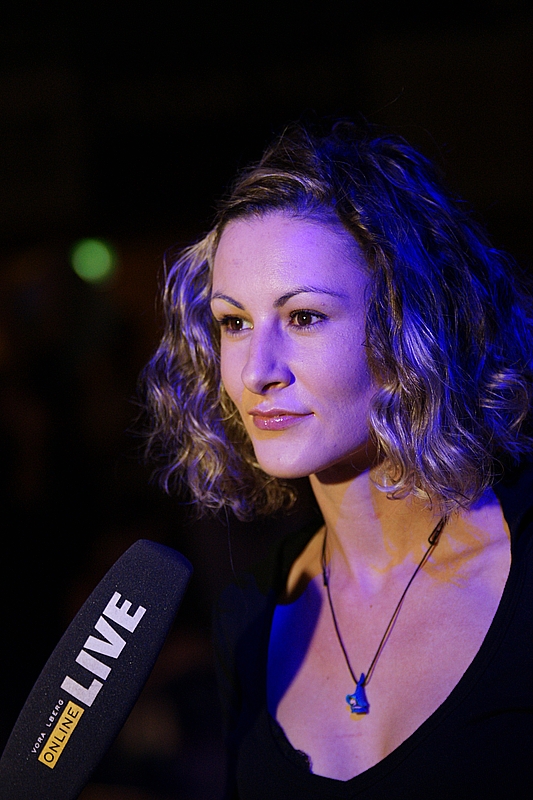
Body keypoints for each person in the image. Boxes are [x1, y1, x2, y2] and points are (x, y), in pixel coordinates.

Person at [142, 119, 533, 798]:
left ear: (411, 324)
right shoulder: (251, 616)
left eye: (304, 317)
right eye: (234, 323)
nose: (256, 371)